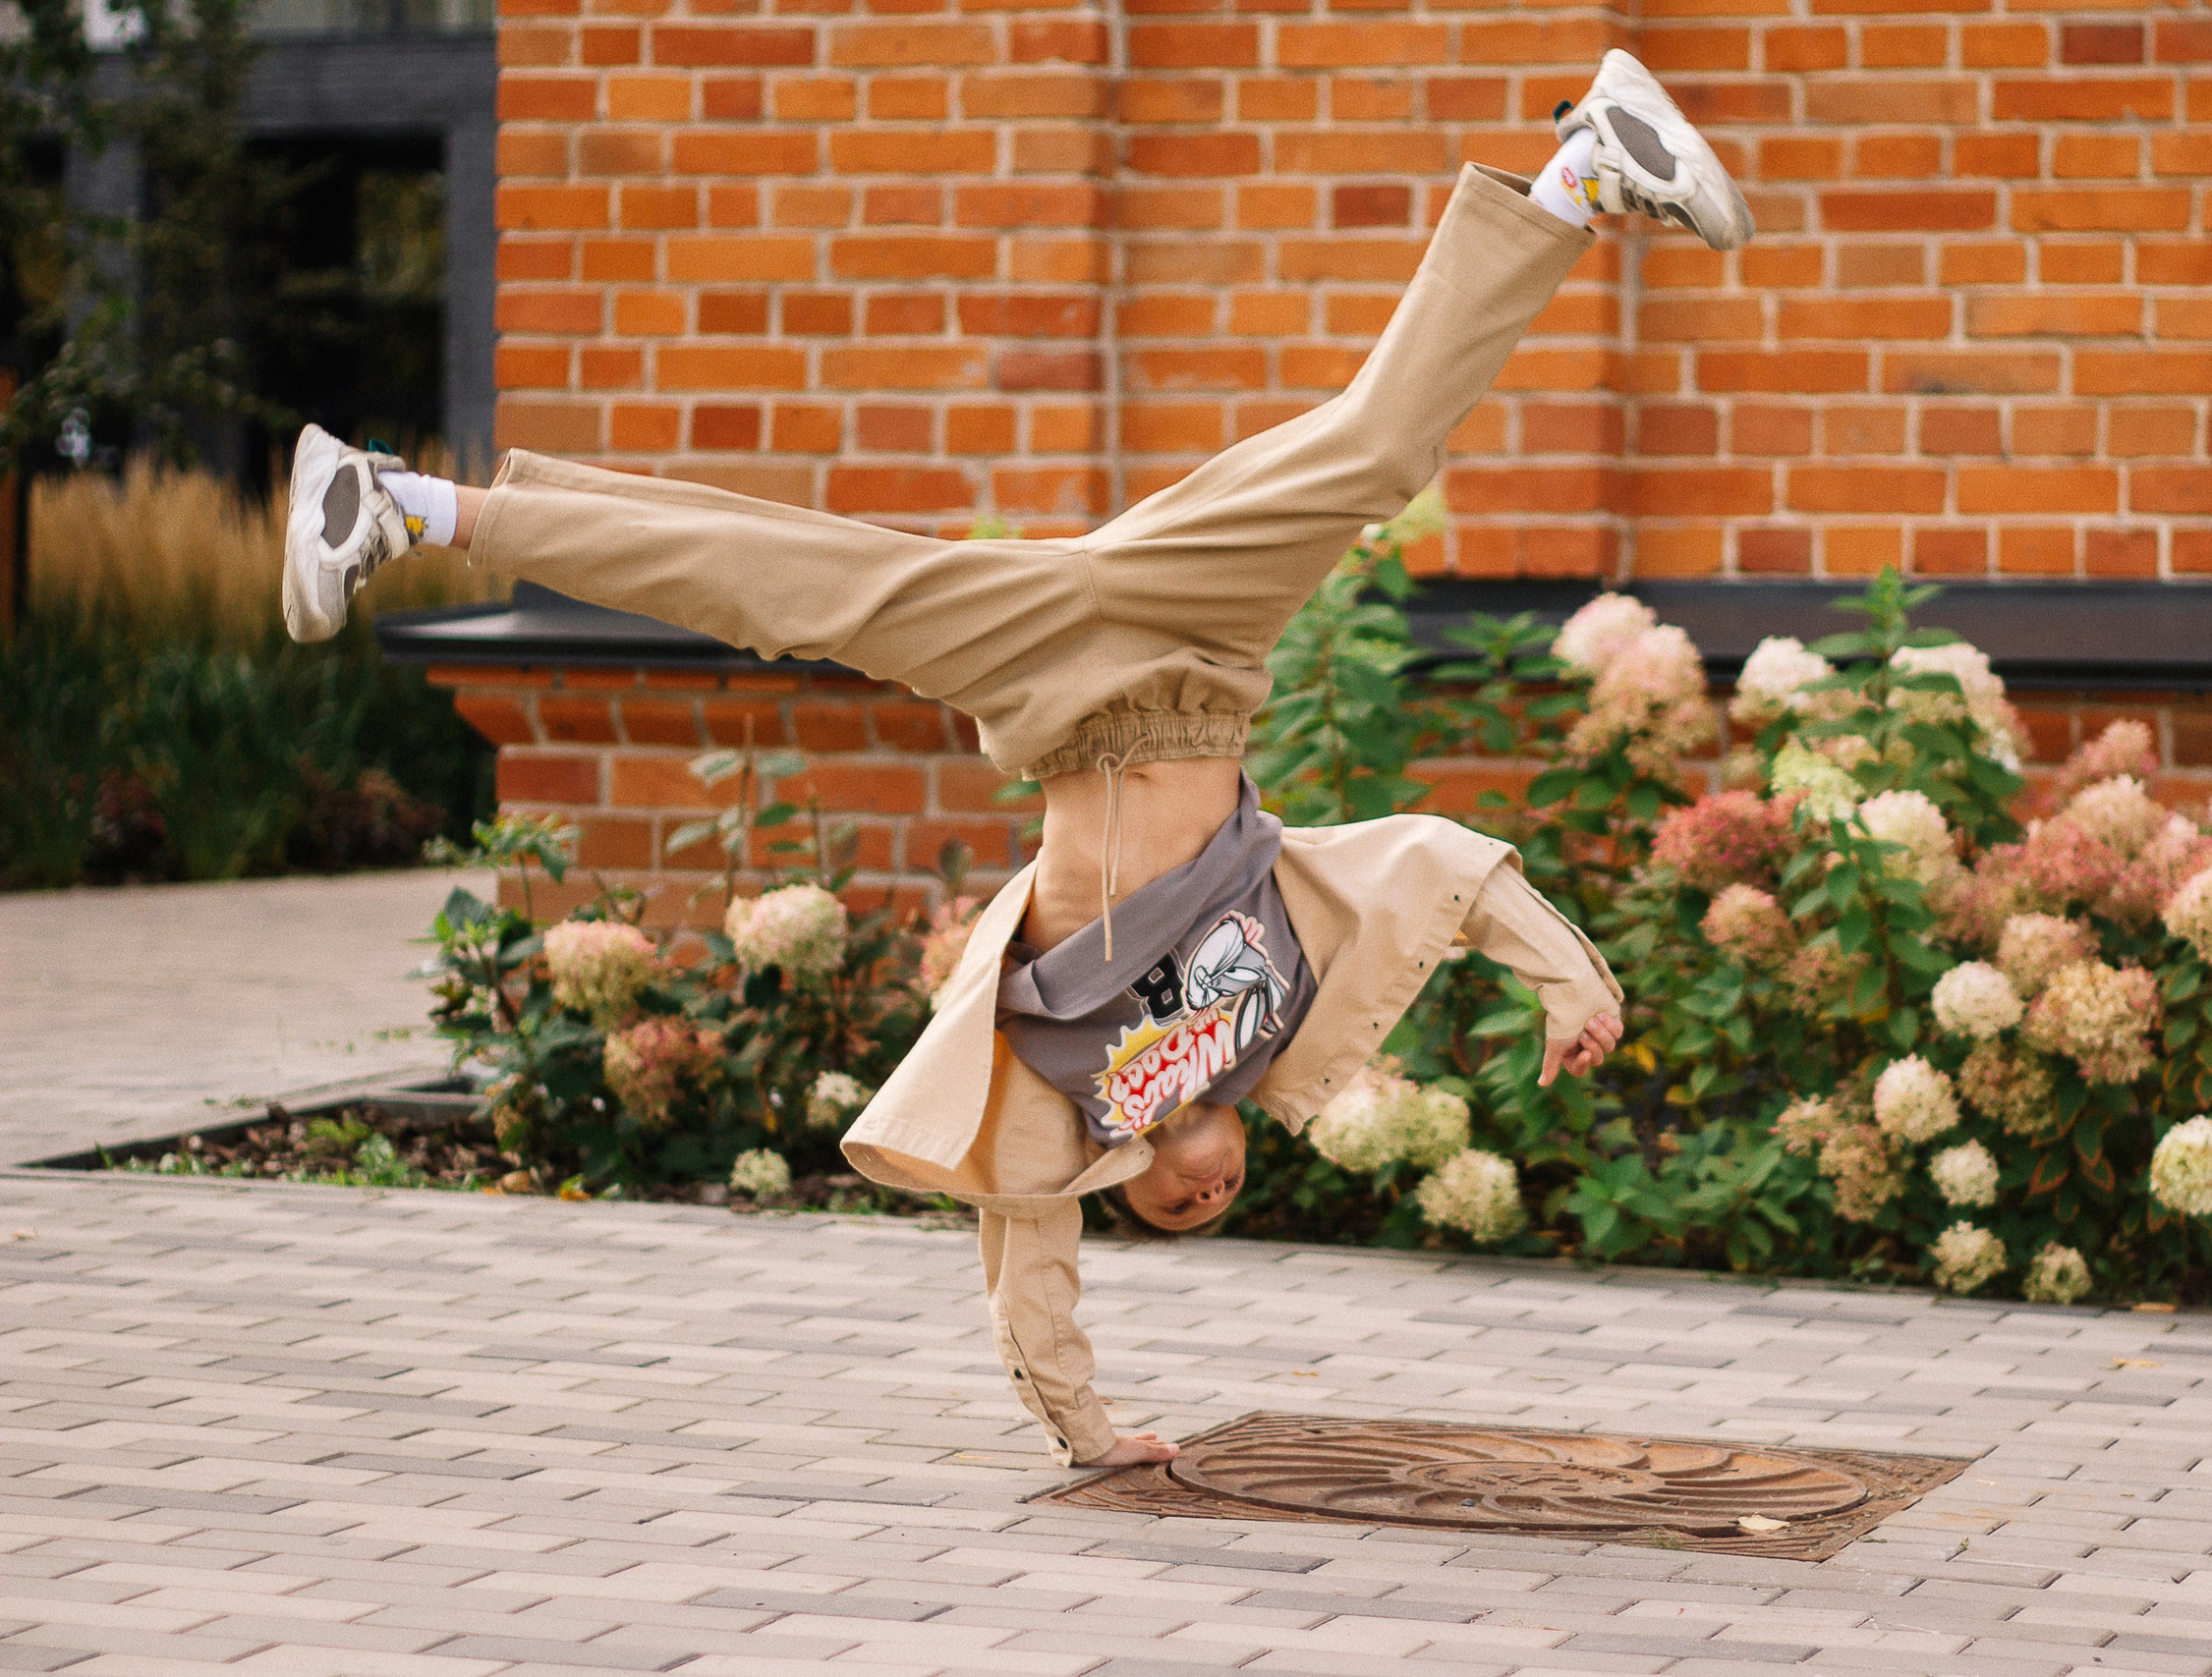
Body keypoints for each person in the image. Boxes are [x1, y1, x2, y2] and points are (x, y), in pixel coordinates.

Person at [282, 49, 1752, 1468]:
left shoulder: (1067, 1100)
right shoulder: (1275, 1003)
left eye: (1177, 1213)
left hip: (1055, 662)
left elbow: (1027, 1274)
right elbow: (1433, 859)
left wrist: (1086, 1434)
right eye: (1221, 1208)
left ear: (1133, 1186)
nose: (1211, 1191)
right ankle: (1577, 175)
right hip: (1198, 657)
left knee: (785, 580)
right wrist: (1572, 977)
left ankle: (401, 507)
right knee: (1373, 453)